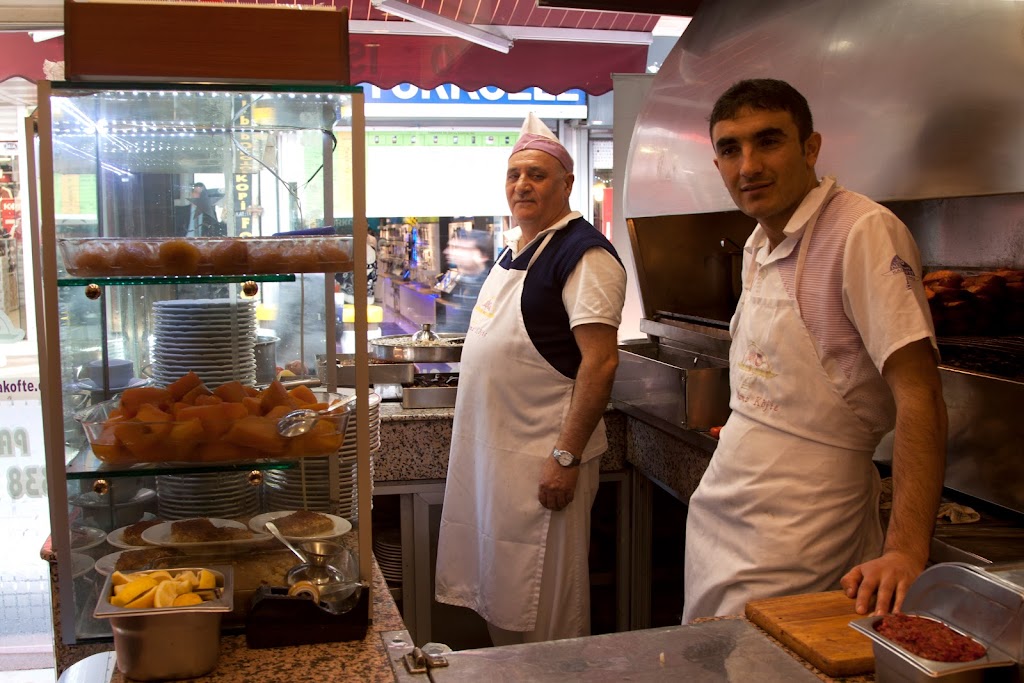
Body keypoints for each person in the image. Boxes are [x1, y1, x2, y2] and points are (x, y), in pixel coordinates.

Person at [682, 79, 948, 623]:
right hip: (725, 509)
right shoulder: (758, 241)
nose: (748, 165)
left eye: (768, 141)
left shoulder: (862, 231)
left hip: (805, 520)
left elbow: (922, 396)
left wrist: (904, 550)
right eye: (730, 149)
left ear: (810, 148)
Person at [434, 113, 627, 645]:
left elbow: (600, 362)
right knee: (504, 599)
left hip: (545, 461)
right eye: (515, 174)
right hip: (499, 461)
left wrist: (565, 456)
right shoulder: (516, 248)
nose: (523, 184)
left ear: (567, 184)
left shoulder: (583, 255)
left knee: (546, 614)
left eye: (538, 175)